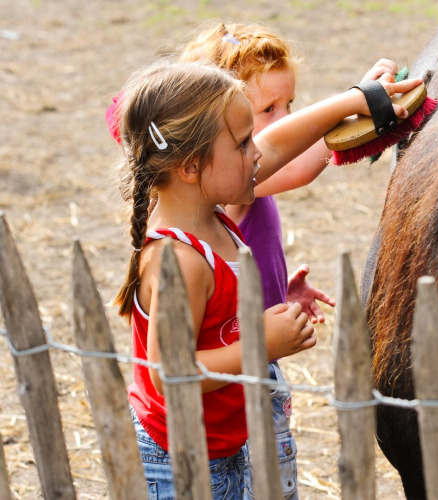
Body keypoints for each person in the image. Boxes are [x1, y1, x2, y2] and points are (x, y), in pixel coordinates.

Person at [113, 59, 420, 499]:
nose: (256, 152)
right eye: (241, 144)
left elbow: (277, 147)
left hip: (230, 443)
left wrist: (352, 101)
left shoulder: (208, 213)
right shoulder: (178, 258)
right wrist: (262, 345)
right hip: (181, 462)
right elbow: (171, 373)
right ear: (190, 167)